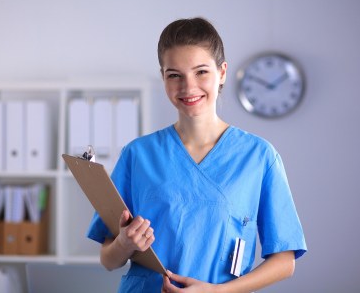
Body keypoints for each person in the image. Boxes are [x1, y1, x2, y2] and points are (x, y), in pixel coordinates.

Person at [87, 17, 307, 292]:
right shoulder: (138, 155)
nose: (188, 87)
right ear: (163, 78)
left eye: (201, 72)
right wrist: (124, 244)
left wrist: (216, 291)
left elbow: (285, 260)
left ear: (222, 72)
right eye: (174, 75)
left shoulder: (259, 156)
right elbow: (109, 260)